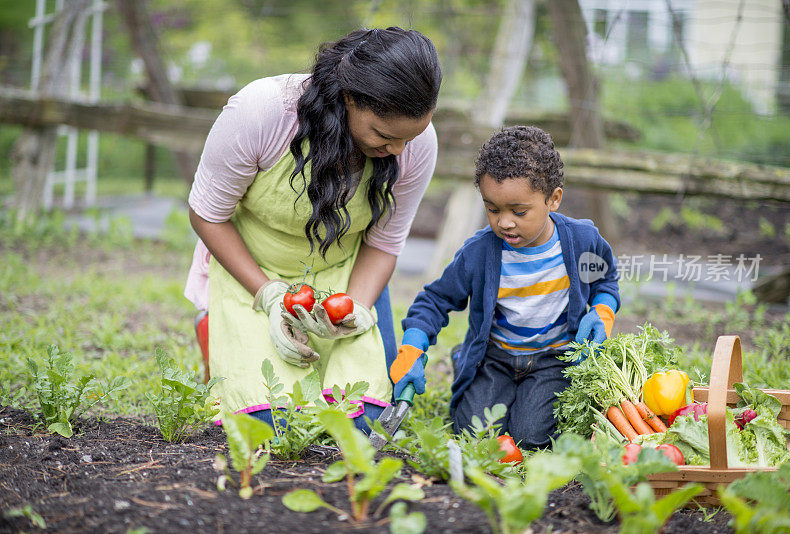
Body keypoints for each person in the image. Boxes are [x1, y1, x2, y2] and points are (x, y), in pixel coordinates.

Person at [185, 27, 442, 434]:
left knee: (363, 424)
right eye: (384, 135)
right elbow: (207, 215)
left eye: (409, 138)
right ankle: (214, 326)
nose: (398, 151)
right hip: (254, 270)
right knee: (272, 423)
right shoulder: (264, 112)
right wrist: (269, 297)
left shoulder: (416, 145)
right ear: (349, 97)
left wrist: (355, 308)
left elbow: (383, 244)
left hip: (344, 275)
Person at [389, 126, 620, 449]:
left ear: (553, 199)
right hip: (495, 358)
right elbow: (436, 299)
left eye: (519, 211)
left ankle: (527, 400)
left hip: (552, 358)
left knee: (532, 437)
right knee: (475, 434)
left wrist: (603, 310)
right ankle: (467, 363)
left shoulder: (581, 241)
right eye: (492, 209)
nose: (504, 222)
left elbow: (605, 279)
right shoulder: (481, 251)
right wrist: (413, 346)